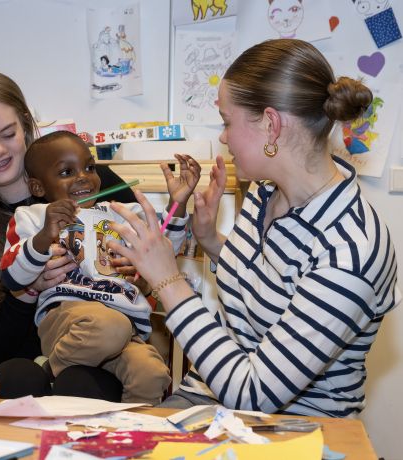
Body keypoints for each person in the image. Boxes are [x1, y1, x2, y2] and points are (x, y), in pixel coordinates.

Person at [107, 39, 400, 417]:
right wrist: (211, 241)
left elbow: (253, 393)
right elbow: (273, 284)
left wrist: (169, 282)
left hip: (295, 427)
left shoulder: (351, 252)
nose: (224, 137)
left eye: (228, 122)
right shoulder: (266, 191)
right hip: (211, 396)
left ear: (271, 125)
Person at [0, 71, 137, 400]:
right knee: (14, 377)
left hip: (108, 351)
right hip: (32, 365)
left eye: (8, 134)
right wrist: (29, 289)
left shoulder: (89, 180)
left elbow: (151, 264)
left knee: (80, 383)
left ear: (25, 125)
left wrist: (133, 269)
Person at [0, 131, 200, 404]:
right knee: (109, 327)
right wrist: (44, 236)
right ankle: (52, 371)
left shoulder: (119, 211)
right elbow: (11, 276)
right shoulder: (33, 217)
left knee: (152, 374)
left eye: (90, 167)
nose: (83, 176)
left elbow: (162, 248)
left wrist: (177, 204)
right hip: (69, 320)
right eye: (67, 171)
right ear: (37, 188)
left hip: (127, 327)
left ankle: (128, 438)